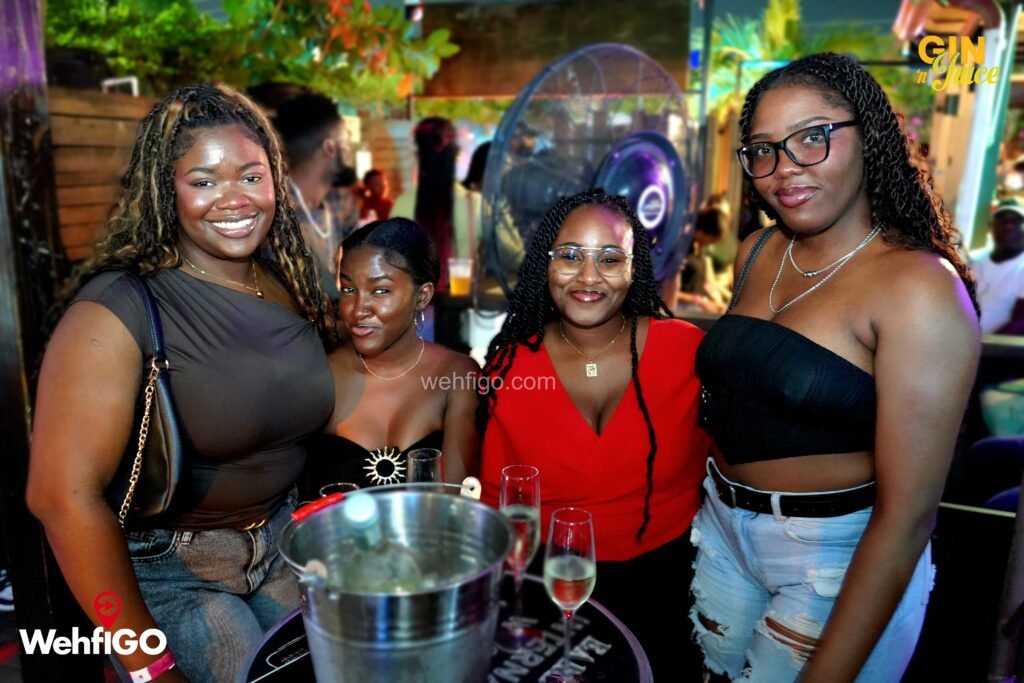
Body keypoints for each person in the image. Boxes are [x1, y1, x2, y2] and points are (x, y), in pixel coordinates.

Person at [26, 84, 336, 683]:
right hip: (171, 570)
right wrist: (147, 661)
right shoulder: (116, 309)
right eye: (204, 181)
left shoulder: (288, 278)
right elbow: (60, 499)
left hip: (283, 545)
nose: (234, 199)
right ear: (165, 189)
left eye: (251, 176)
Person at [692, 53, 980, 682]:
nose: (784, 169)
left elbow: (907, 518)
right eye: (763, 150)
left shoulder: (918, 288)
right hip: (722, 527)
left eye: (812, 137)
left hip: (833, 558)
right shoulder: (757, 250)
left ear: (868, 137)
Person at [478, 188, 710, 680]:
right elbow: (498, 510)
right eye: (569, 256)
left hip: (673, 595)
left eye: (609, 259)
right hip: (550, 596)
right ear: (545, 264)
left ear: (634, 268)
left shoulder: (688, 353)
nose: (588, 277)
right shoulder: (509, 368)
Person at [302, 218, 480, 493]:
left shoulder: (457, 375)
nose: (358, 309)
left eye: (380, 291)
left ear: (422, 296)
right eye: (349, 289)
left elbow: (455, 498)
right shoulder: (322, 371)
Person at [273, 92, 357, 300]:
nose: (350, 147)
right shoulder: (277, 214)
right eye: (346, 139)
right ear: (330, 147)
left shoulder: (338, 205)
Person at [971, 196, 1024, 334]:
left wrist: (986, 343)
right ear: (991, 227)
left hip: (996, 346)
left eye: (1015, 221)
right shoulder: (974, 261)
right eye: (1002, 221)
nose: (1008, 226)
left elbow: (1021, 322)